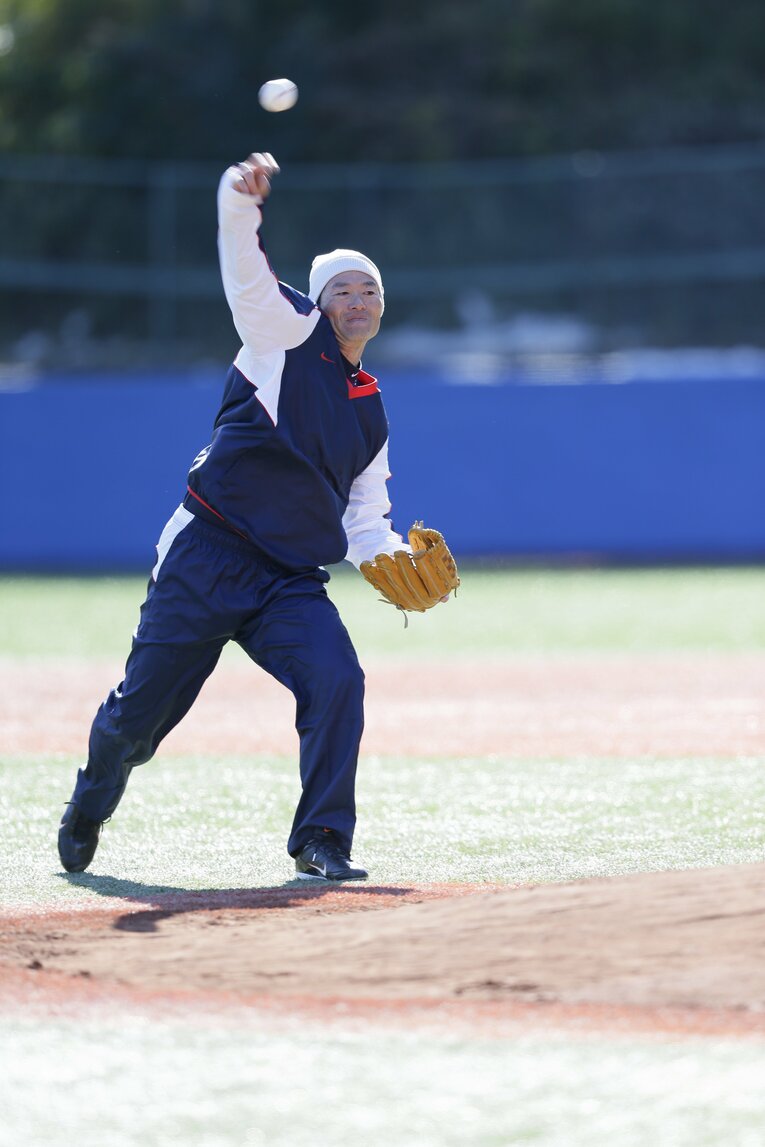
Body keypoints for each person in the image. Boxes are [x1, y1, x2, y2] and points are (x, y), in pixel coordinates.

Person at [57, 151, 415, 883]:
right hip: (208, 554)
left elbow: (365, 520)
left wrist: (394, 559)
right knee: (138, 723)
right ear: (317, 302)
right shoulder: (282, 338)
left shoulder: (369, 406)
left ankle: (322, 839)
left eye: (368, 289)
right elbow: (243, 272)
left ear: (382, 305)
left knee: (336, 678)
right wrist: (237, 200)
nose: (356, 300)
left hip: (287, 576)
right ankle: (90, 803)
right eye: (341, 289)